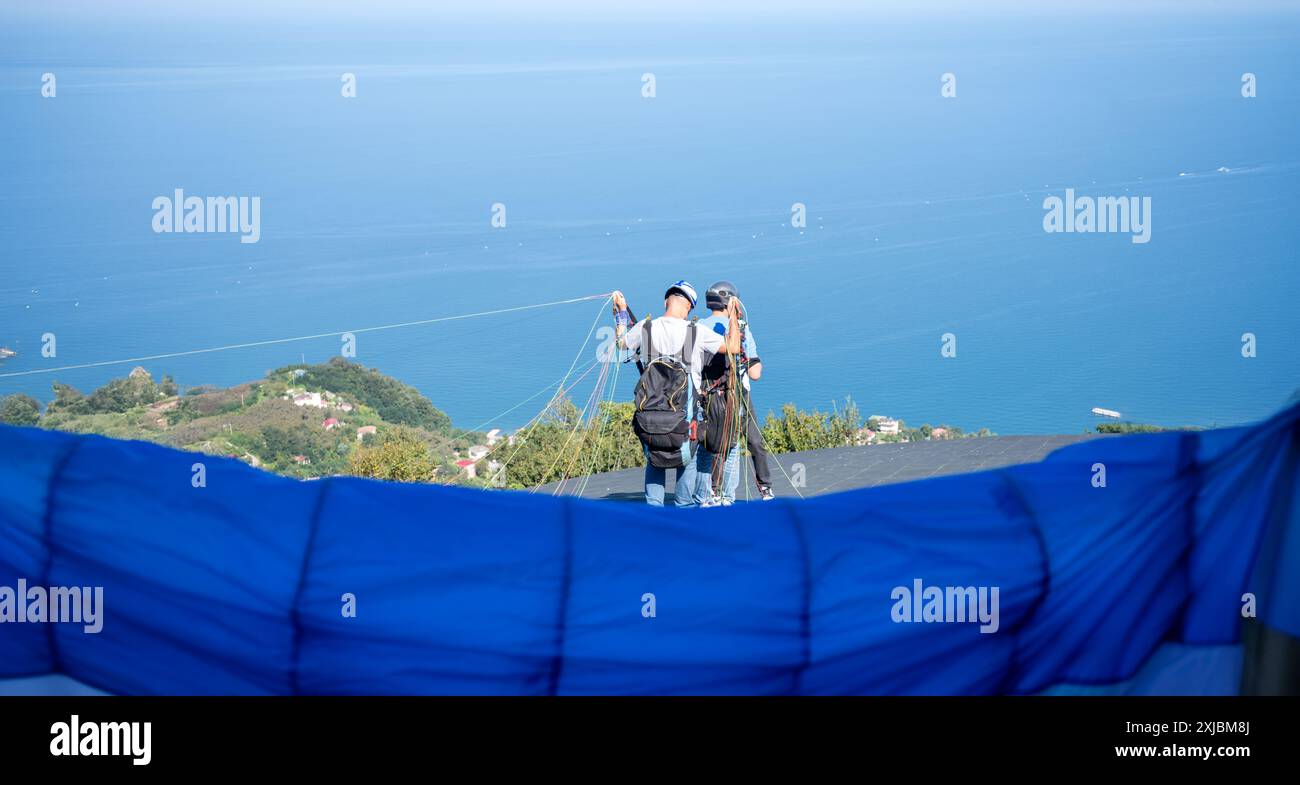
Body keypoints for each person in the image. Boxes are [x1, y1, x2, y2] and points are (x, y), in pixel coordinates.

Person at [613, 281, 741, 507]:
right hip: (685, 417)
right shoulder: (696, 331)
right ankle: (684, 511)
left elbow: (621, 343)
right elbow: (732, 348)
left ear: (666, 302)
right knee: (687, 461)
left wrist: (621, 313)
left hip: (650, 415)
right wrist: (733, 316)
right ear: (689, 307)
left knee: (654, 460)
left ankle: (654, 513)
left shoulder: (646, 327)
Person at [694, 281, 775, 504]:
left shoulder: (698, 326)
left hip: (708, 396)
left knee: (713, 445)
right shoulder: (741, 328)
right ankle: (764, 488)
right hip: (739, 394)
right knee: (752, 442)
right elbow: (756, 372)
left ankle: (711, 492)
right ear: (732, 301)